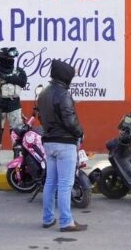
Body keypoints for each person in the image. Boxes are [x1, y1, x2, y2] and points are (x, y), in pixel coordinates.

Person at [38, 59, 87, 232]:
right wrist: (80, 132)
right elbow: (70, 121)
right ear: (65, 77)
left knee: (50, 182)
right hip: (65, 143)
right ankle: (66, 222)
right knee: (65, 185)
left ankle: (48, 218)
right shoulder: (64, 94)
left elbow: (41, 118)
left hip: (49, 142)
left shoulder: (43, 93)